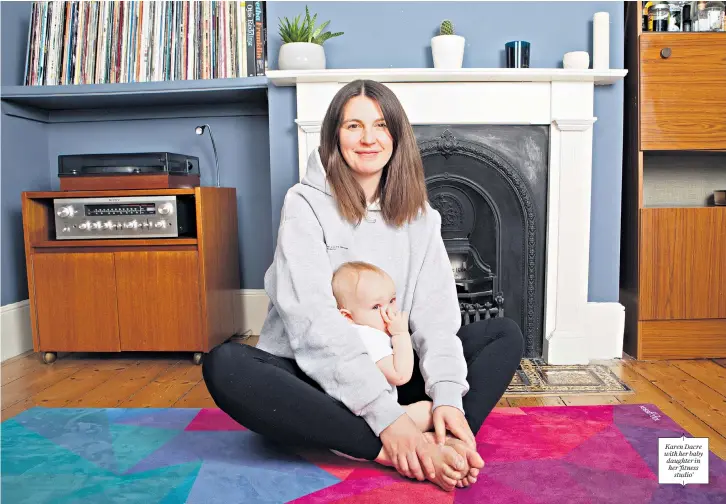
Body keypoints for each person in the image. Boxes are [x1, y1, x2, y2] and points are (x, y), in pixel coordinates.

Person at [202, 79, 524, 492]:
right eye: (353, 126)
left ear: (397, 137)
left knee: (502, 334)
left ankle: (445, 430)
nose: (368, 138)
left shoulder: (422, 218)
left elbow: (437, 319)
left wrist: (446, 398)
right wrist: (386, 419)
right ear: (335, 136)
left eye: (380, 126)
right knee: (226, 364)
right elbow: (313, 323)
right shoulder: (304, 203)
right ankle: (398, 446)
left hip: (391, 370)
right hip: (314, 379)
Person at [331, 260, 434, 433]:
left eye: (392, 300)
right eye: (376, 306)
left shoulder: (352, 334)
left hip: (356, 418)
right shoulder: (367, 337)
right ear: (348, 317)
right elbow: (400, 375)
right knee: (431, 411)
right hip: (367, 423)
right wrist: (401, 335)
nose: (388, 312)